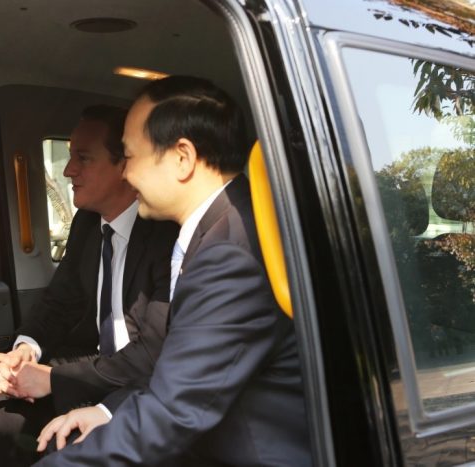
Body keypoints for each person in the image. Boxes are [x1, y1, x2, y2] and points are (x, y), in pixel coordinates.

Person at [34, 76, 311, 466]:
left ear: (182, 158)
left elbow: (174, 412)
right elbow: (182, 374)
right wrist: (110, 411)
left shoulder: (229, 253)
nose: (125, 174)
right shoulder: (217, 230)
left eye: (130, 156)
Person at [0, 105, 178, 465]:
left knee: (64, 437)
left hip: (142, 376)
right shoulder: (87, 222)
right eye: (70, 157)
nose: (68, 170)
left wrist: (54, 379)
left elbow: (153, 352)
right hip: (100, 361)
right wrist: (26, 350)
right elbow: (60, 300)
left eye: (83, 158)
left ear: (124, 166)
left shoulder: (165, 235)